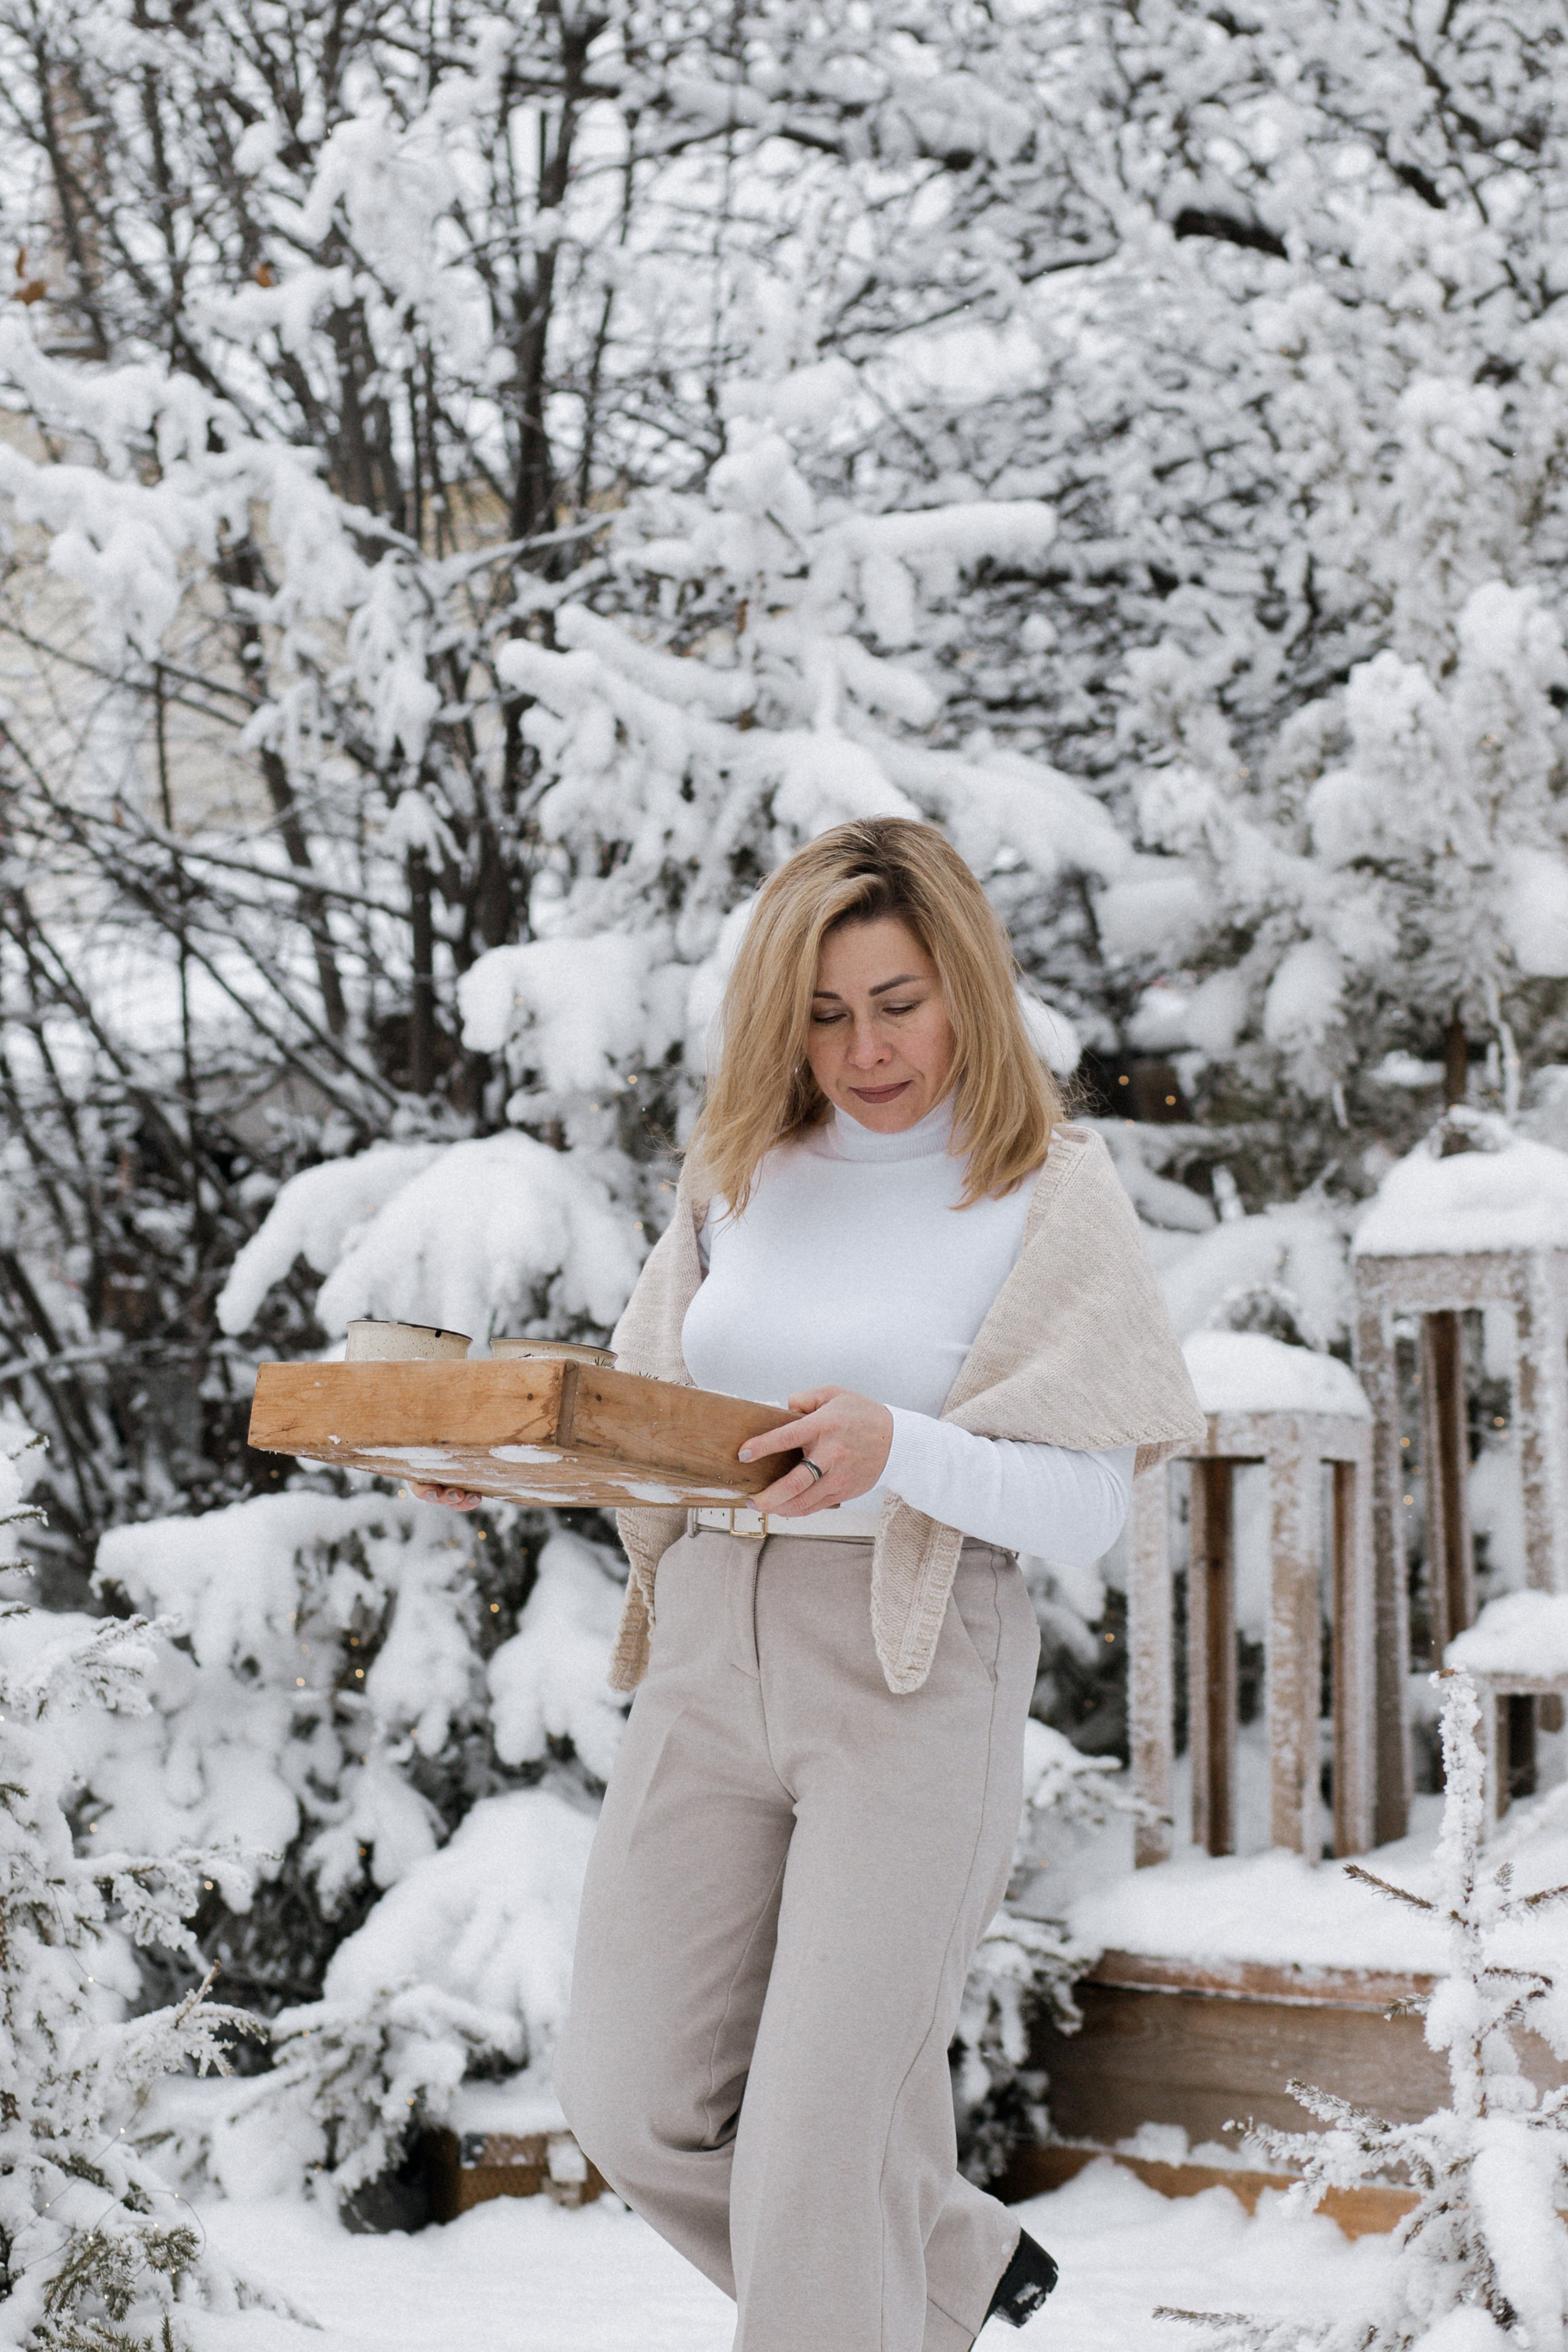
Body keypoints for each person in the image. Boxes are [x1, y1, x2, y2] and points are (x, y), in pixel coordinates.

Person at [415, 818, 1203, 2351]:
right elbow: (670, 1438)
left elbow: (1091, 1500)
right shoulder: (740, 1179)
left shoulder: (1042, 1192)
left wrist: (898, 1445)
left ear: (964, 983)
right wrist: (510, 1471)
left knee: (815, 2153)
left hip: (911, 1676)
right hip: (714, 1657)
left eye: (896, 1000)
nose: (863, 1049)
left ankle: (879, 2281)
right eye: (824, 1014)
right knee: (632, 2101)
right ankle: (949, 2271)